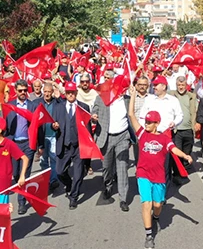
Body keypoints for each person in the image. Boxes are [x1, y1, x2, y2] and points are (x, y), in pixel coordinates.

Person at [127, 101, 192, 249]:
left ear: (157, 123)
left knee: (157, 205)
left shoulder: (164, 139)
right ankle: (149, 235)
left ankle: (155, 217)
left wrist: (185, 155)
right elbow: (131, 115)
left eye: (150, 122)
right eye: (146, 121)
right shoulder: (142, 133)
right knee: (146, 203)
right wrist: (133, 95)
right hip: (143, 174)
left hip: (159, 177)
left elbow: (174, 150)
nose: (147, 124)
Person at [92, 74, 132, 212]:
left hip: (123, 136)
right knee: (107, 167)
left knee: (122, 167)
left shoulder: (127, 100)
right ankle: (108, 186)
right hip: (106, 137)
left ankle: (123, 198)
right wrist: (94, 116)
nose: (123, 90)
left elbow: (133, 115)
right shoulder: (102, 98)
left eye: (124, 88)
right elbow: (94, 110)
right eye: (121, 87)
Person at [51, 81, 93, 209]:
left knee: (78, 173)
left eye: (72, 92)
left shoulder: (83, 107)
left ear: (76, 92)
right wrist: (54, 126)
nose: (70, 95)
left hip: (78, 146)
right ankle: (69, 184)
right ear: (65, 94)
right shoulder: (58, 107)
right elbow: (53, 124)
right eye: (68, 92)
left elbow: (88, 128)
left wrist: (89, 147)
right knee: (59, 171)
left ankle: (73, 197)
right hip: (63, 145)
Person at [4, 79, 38, 214]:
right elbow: (5, 125)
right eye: (20, 91)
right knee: (16, 173)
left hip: (28, 143)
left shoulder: (33, 106)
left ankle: (21, 202)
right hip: (13, 143)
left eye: (25, 90)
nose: (23, 93)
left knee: (26, 173)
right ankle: (20, 187)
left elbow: (37, 127)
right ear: (16, 92)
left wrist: (39, 145)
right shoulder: (9, 106)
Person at [167, 75, 197, 185]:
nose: (181, 87)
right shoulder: (171, 95)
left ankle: (183, 169)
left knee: (187, 151)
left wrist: (195, 124)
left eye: (183, 85)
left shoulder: (191, 96)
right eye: (179, 85)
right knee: (178, 152)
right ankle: (177, 174)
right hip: (177, 130)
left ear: (186, 85)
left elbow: (194, 111)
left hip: (189, 129)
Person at [131, 76, 152, 165]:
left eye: (144, 84)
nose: (142, 86)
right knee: (138, 155)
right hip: (137, 131)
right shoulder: (132, 98)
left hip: (149, 131)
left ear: (148, 86)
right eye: (140, 84)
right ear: (136, 85)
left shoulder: (152, 98)